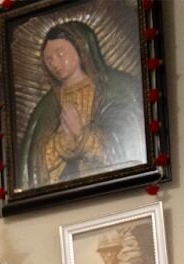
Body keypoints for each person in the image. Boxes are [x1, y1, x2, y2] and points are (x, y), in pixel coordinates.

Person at [17, 20, 142, 190]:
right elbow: (33, 162)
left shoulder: (117, 87)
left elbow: (128, 138)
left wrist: (82, 135)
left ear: (81, 50)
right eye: (49, 59)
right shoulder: (46, 106)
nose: (55, 63)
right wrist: (59, 143)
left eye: (60, 54)